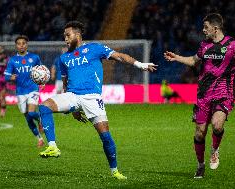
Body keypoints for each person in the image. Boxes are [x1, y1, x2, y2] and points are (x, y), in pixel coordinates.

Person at [38, 21, 157, 180]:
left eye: (68, 35)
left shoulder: (95, 48)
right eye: (64, 36)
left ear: (78, 34)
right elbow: (66, 83)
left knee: (105, 137)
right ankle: (52, 146)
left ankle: (114, 171)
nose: (65, 39)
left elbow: (119, 56)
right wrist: (72, 110)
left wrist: (140, 64)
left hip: (92, 98)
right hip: (72, 96)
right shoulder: (63, 58)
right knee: (44, 107)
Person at [164, 13, 235, 179]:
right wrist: (176, 57)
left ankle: (215, 150)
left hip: (224, 93)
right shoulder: (204, 45)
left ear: (215, 28)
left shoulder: (234, 45)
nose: (203, 30)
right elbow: (193, 61)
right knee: (199, 133)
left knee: (217, 125)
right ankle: (200, 165)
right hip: (203, 95)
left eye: (206, 27)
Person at [4, 35, 45, 148]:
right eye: (19, 43)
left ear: (27, 45)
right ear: (16, 46)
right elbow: (6, 76)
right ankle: (39, 139)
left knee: (32, 113)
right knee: (28, 118)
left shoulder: (34, 57)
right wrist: (10, 77)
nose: (21, 45)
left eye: (23, 43)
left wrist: (42, 82)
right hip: (20, 92)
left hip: (33, 89)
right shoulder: (12, 60)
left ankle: (41, 120)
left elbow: (42, 71)